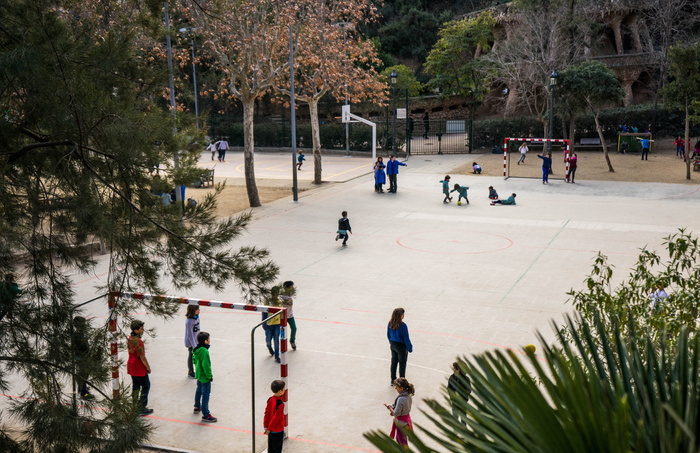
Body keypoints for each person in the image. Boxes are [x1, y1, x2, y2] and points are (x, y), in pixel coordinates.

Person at [127, 320, 153, 415]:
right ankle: (142, 407)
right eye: (141, 329)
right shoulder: (139, 342)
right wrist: (148, 367)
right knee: (146, 385)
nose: (143, 330)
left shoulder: (130, 338)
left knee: (136, 386)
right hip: (138, 367)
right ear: (136, 330)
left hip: (131, 366)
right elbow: (142, 357)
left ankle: (134, 406)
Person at [193, 331, 217, 422]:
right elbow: (206, 365)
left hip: (198, 374)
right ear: (206, 341)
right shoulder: (204, 351)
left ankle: (196, 406)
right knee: (205, 394)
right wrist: (209, 376)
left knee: (198, 390)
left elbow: (194, 360)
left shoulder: (196, 349)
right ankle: (206, 414)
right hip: (204, 377)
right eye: (209, 339)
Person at [384, 377, 415, 447]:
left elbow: (396, 413)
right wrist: (392, 406)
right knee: (401, 439)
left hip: (401, 423)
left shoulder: (401, 398)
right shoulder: (408, 394)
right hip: (407, 420)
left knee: (401, 441)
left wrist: (389, 408)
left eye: (397, 387)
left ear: (401, 388)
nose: (395, 388)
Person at [387, 308, 413, 386]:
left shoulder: (390, 323)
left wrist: (391, 343)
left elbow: (388, 335)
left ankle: (393, 379)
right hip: (401, 346)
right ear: (400, 316)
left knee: (394, 362)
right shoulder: (403, 326)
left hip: (393, 344)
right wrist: (409, 347)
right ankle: (402, 381)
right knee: (402, 363)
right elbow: (406, 338)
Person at [72, 316, 94, 399]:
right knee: (83, 374)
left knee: (83, 373)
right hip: (81, 356)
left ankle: (81, 388)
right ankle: (84, 393)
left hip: (83, 355)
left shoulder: (82, 332)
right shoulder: (78, 334)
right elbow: (80, 347)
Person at [264, 380, 286, 453]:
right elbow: (275, 418)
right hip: (278, 431)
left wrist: (266, 426)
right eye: (283, 389)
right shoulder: (281, 404)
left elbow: (266, 413)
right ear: (280, 391)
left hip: (270, 430)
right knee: (277, 450)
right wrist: (269, 429)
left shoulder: (270, 399)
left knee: (270, 449)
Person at [264, 289, 282, 363]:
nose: (276, 296)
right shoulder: (267, 301)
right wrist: (264, 323)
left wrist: (282, 323)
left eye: (277, 294)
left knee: (276, 340)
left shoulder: (279, 302)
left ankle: (277, 356)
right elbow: (264, 312)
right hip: (269, 324)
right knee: (268, 340)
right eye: (275, 294)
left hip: (277, 324)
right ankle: (269, 347)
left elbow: (281, 313)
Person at [279, 281, 297, 350]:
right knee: (283, 331)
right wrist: (285, 302)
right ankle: (282, 343)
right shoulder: (281, 296)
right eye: (292, 286)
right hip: (283, 316)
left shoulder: (291, 295)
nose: (293, 288)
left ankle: (292, 341)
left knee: (294, 328)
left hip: (290, 315)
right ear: (288, 288)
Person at [184, 304, 200, 378]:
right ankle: (190, 371)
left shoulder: (197, 318)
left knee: (198, 356)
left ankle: (198, 370)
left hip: (197, 340)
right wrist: (194, 346)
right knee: (191, 355)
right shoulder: (189, 322)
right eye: (197, 309)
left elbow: (198, 328)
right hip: (191, 342)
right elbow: (190, 335)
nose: (199, 310)